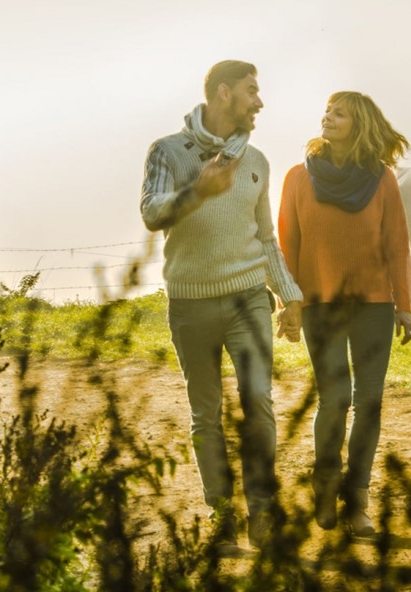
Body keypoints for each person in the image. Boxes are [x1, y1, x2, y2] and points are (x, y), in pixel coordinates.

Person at [140, 60, 303, 551]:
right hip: (191, 303)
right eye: (253, 91)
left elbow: (266, 238)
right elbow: (151, 213)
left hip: (248, 299)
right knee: (206, 413)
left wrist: (289, 295)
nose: (260, 101)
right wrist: (198, 191)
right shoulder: (167, 151)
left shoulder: (255, 161)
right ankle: (222, 513)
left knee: (258, 402)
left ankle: (262, 510)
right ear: (224, 93)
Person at [277, 91, 411, 537]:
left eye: (340, 113)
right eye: (327, 111)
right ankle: (325, 485)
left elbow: (397, 245)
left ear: (360, 125)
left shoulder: (382, 179)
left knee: (369, 404)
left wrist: (406, 306)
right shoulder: (298, 177)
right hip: (320, 306)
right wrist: (289, 305)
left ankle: (357, 502)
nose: (328, 117)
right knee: (335, 399)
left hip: (374, 306)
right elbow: (288, 246)